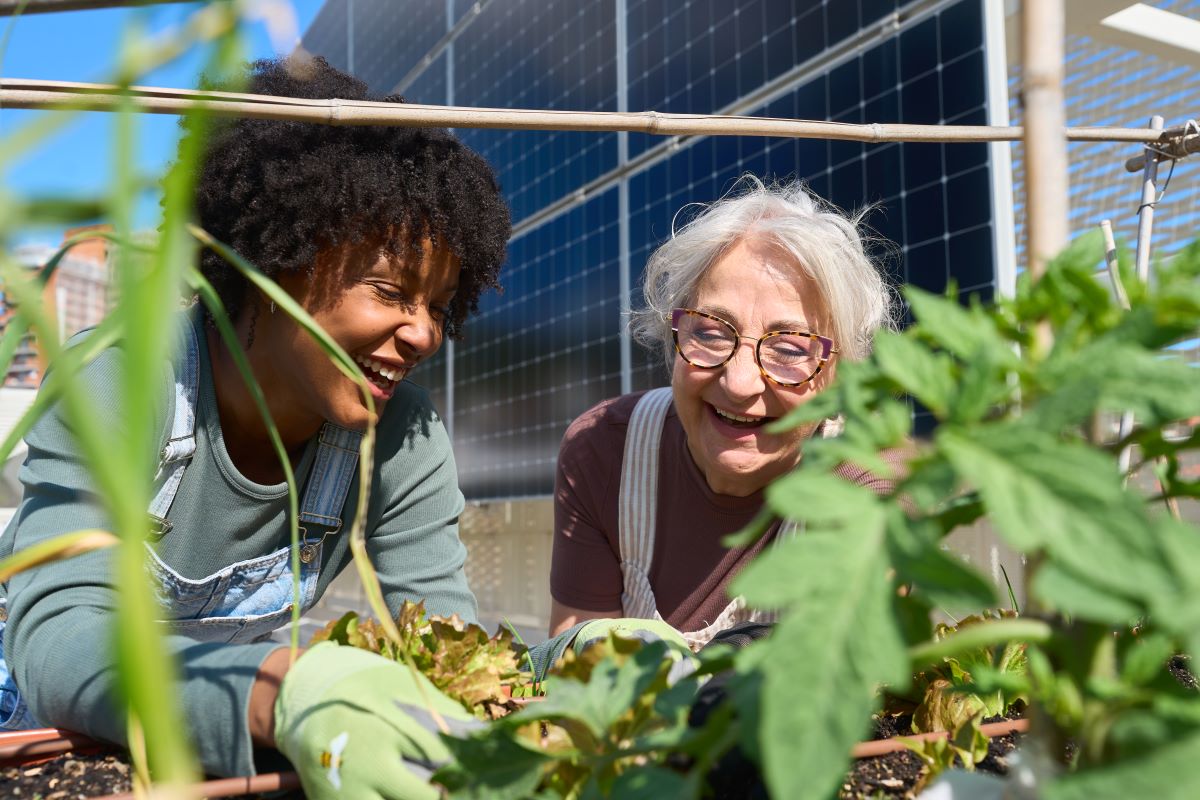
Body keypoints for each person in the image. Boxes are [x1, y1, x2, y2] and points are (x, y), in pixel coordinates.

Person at [0, 56, 509, 798]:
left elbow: (442, 649)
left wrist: (589, 658)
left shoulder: (398, 437)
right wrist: (285, 690)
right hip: (35, 716)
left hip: (204, 726)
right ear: (277, 263)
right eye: (390, 292)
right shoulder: (123, 378)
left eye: (438, 306)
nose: (423, 334)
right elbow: (63, 645)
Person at [548, 177, 898, 650]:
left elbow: (847, 696)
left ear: (840, 373)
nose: (739, 382)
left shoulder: (870, 486)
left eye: (790, 348)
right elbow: (576, 670)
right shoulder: (605, 451)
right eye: (711, 333)